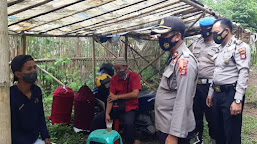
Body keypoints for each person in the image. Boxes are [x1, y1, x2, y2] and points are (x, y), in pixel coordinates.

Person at [152, 16, 198, 144]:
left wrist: (174, 134)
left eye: (164, 35)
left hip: (174, 130)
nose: (160, 39)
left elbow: (183, 100)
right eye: (159, 35)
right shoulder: (174, 57)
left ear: (177, 36)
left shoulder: (185, 61)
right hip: (166, 124)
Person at [206, 18, 251, 144]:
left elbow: (243, 73)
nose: (213, 35)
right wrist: (211, 93)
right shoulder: (219, 48)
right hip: (217, 94)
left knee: (231, 133)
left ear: (226, 31)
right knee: (218, 130)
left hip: (230, 94)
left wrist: (237, 100)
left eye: (216, 32)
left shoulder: (240, 47)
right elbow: (217, 71)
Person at [10, 55, 51, 144]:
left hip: (34, 139)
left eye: (34, 67)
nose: (34, 71)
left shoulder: (36, 91)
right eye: (29, 69)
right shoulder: (10, 95)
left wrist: (46, 138)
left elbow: (41, 116)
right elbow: (11, 129)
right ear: (18, 74)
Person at [191, 17, 218, 144]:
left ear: (212, 29)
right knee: (196, 114)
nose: (203, 31)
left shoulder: (218, 45)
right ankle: (198, 139)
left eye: (205, 29)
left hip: (210, 86)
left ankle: (214, 138)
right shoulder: (197, 43)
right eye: (201, 29)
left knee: (212, 116)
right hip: (196, 86)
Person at [105, 57, 141, 144]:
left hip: (130, 107)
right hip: (117, 106)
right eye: (116, 69)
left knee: (129, 124)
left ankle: (129, 141)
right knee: (98, 120)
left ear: (126, 66)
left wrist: (117, 97)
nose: (117, 71)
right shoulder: (114, 79)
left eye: (119, 68)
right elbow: (111, 98)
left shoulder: (134, 76)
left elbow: (135, 94)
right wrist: (107, 114)